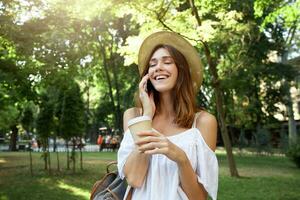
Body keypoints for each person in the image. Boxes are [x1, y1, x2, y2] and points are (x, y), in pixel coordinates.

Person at [117, 31, 218, 200]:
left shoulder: (203, 122)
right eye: (153, 64)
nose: (158, 67)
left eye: (167, 61)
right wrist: (147, 116)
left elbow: (199, 197)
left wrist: (179, 157)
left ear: (181, 70)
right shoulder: (133, 116)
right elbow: (134, 179)